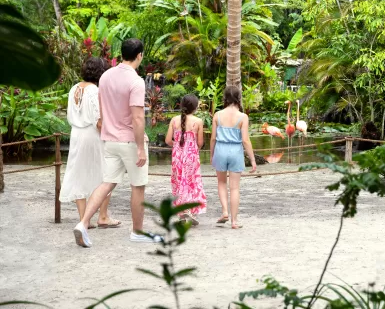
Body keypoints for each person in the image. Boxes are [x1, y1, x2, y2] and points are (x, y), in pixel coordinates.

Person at [73, 38, 161, 248]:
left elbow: (102, 111)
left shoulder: (105, 77)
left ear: (122, 53)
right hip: (129, 140)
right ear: (139, 55)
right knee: (138, 185)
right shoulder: (136, 81)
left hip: (109, 139)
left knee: (107, 183)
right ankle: (137, 231)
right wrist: (140, 147)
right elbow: (138, 118)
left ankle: (83, 223)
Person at [60, 57, 121, 229]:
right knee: (105, 174)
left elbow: (70, 114)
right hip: (92, 136)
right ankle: (102, 215)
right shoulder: (95, 90)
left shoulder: (74, 88)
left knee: (79, 173)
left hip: (76, 134)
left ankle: (83, 218)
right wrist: (112, 134)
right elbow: (98, 120)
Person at [210, 86, 256, 229]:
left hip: (221, 150)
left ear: (225, 98)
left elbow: (212, 138)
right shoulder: (243, 117)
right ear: (238, 98)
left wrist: (212, 155)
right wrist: (253, 160)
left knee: (221, 183)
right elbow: (245, 140)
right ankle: (234, 221)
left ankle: (224, 211)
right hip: (235, 151)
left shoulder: (217, 115)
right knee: (235, 188)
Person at [165, 94, 206, 225]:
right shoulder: (198, 121)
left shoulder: (174, 120)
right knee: (191, 182)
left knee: (179, 182)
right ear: (195, 107)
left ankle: (182, 212)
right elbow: (200, 142)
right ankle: (189, 210)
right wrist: (191, 147)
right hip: (192, 155)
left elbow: (167, 140)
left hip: (177, 156)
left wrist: (177, 146)